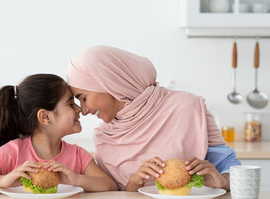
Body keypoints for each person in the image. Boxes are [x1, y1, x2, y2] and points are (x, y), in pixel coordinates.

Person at [67, 46, 241, 191]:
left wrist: (224, 181)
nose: (84, 110)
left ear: (107, 82)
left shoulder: (188, 106)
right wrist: (135, 182)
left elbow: (231, 167)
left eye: (83, 98)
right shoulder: (104, 137)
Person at [0, 73, 118, 192]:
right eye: (70, 104)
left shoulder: (78, 155)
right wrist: (4, 180)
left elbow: (110, 185)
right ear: (45, 117)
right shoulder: (14, 151)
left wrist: (76, 179)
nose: (79, 109)